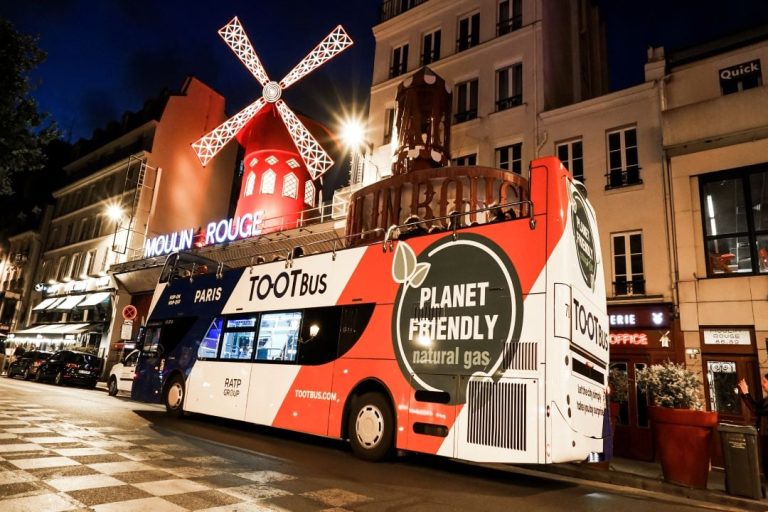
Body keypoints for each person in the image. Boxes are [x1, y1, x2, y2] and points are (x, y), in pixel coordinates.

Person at [738, 376, 768, 477]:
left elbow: (757, 410)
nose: (762, 384)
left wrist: (746, 393)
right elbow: (756, 406)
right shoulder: (766, 399)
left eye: (765, 382)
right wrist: (745, 393)